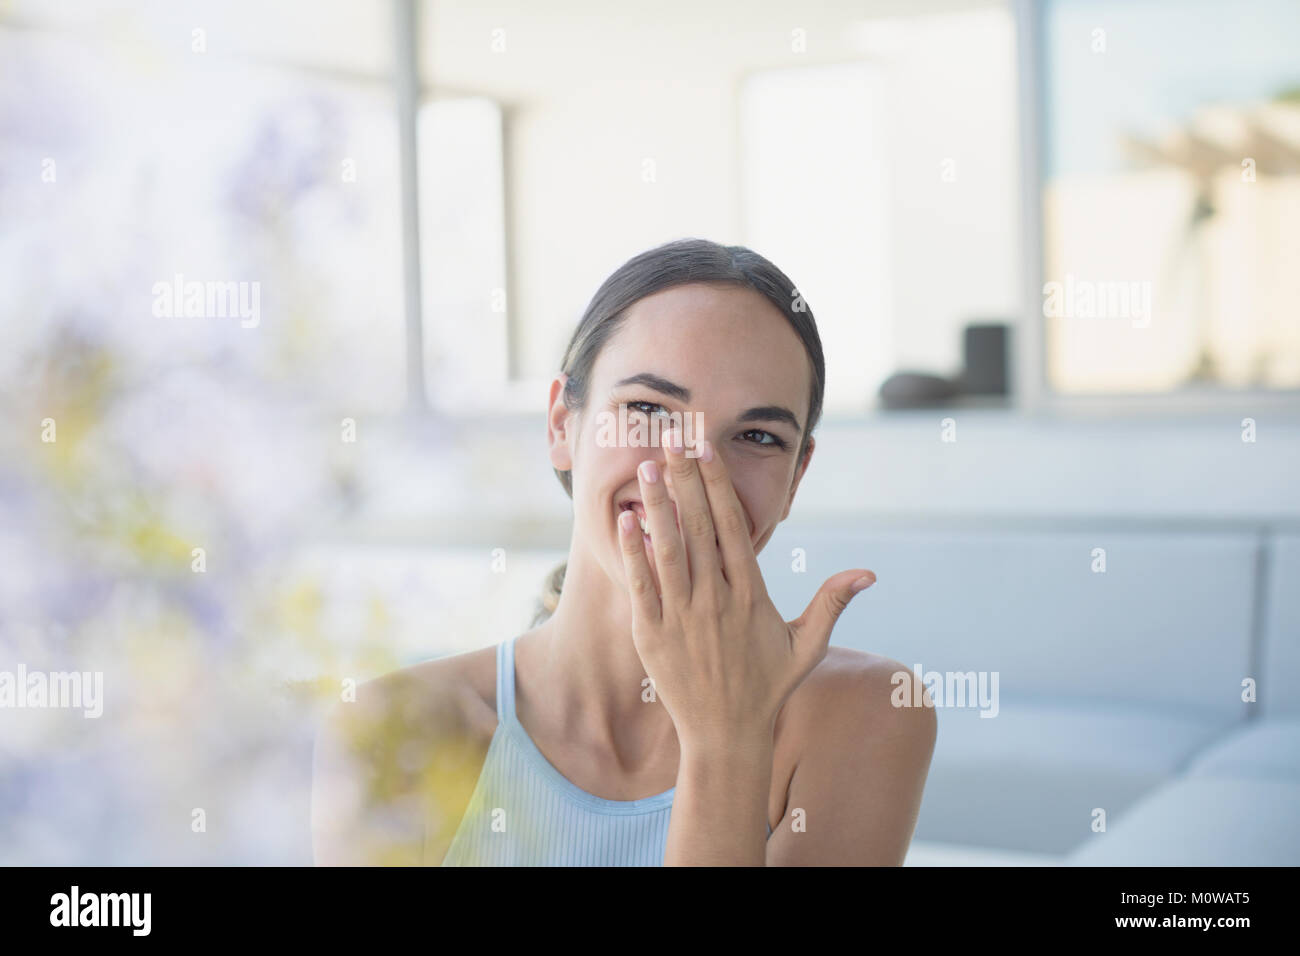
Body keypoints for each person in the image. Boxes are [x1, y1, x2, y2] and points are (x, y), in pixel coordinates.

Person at [311, 237, 936, 866]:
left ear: (796, 478)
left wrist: (724, 737)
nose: (692, 469)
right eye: (647, 409)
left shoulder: (866, 713)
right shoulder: (394, 730)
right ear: (563, 425)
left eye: (755, 435)